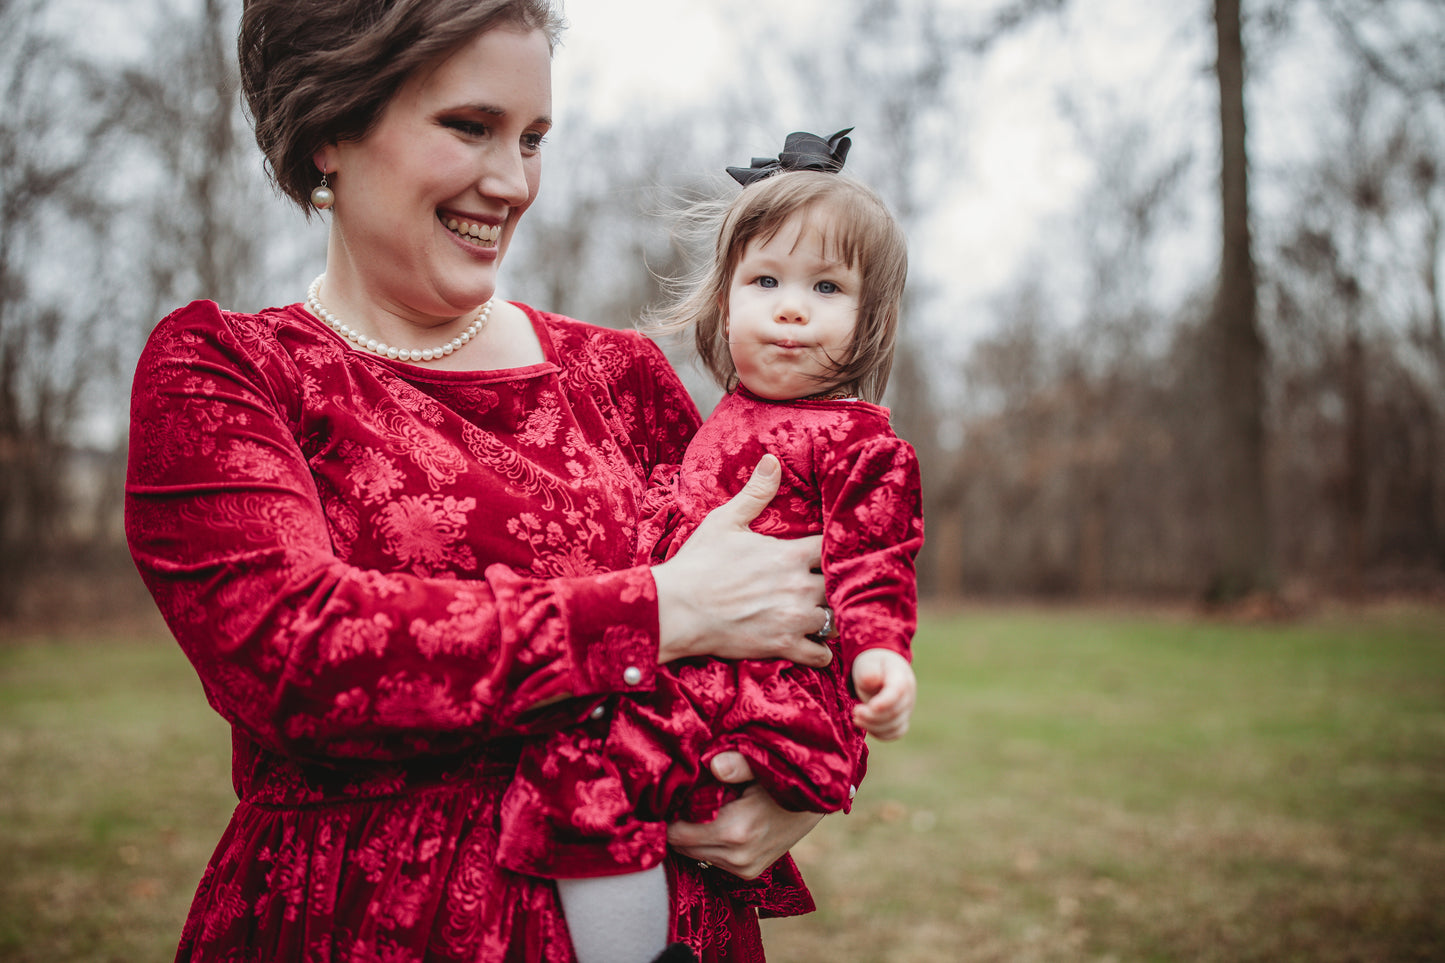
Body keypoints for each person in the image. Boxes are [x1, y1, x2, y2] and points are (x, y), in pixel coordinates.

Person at [124, 3, 837, 961]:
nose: (512, 182)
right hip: (361, 921)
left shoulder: (618, 377)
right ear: (331, 127)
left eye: (534, 138)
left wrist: (799, 782)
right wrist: (659, 609)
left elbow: (802, 594)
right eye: (470, 127)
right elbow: (293, 653)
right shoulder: (231, 370)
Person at [494, 130, 923, 963]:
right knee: (587, 765)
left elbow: (875, 563)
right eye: (765, 280)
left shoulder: (857, 444)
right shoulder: (722, 417)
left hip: (764, 697)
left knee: (593, 770)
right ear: (724, 301)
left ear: (869, 321)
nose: (790, 306)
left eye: (826, 287)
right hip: (700, 676)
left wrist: (881, 658)